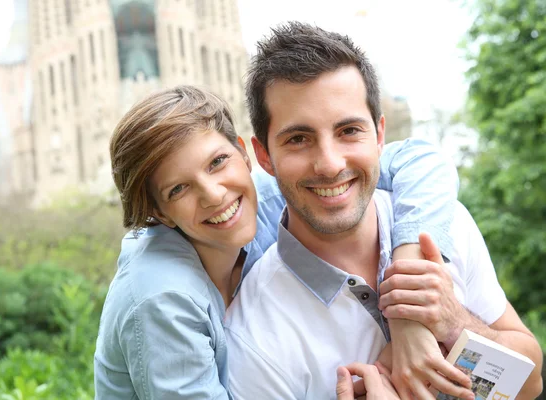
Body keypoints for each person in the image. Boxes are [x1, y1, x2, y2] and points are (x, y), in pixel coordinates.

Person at [224, 21, 543, 400]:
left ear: (379, 136)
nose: (329, 163)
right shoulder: (254, 334)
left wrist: (454, 324)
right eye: (298, 139)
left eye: (348, 131)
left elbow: (530, 384)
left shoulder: (447, 224)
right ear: (264, 157)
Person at [94, 83, 464, 399]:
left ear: (244, 153)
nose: (213, 194)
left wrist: (409, 310)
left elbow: (419, 160)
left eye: (217, 162)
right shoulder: (161, 300)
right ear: (158, 213)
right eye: (178, 188)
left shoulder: (264, 200)